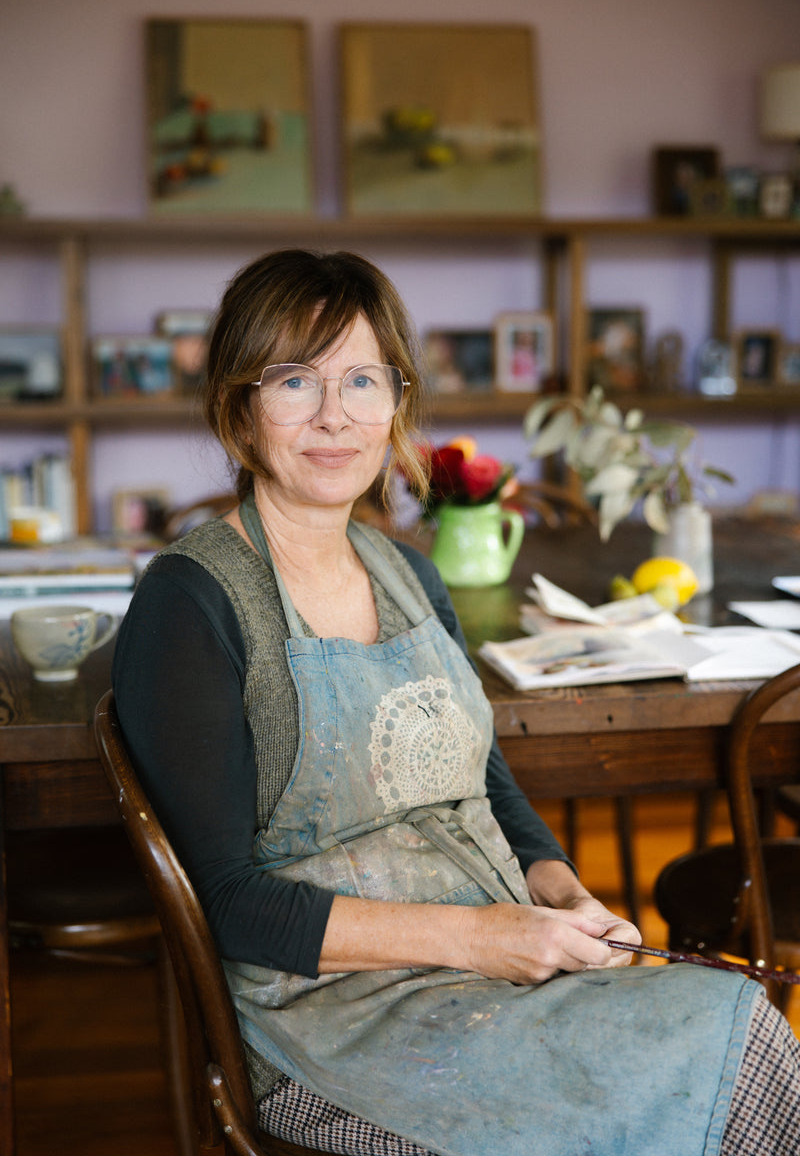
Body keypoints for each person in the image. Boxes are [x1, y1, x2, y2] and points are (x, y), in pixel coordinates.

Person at [113, 249, 800, 1156]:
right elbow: (228, 904)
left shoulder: (407, 572)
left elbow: (483, 780)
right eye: (295, 381)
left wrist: (559, 889)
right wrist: (482, 939)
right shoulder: (191, 600)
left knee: (737, 1021)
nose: (335, 416)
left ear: (396, 400)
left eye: (363, 379)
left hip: (489, 959)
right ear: (241, 405)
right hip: (333, 1024)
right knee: (723, 1051)